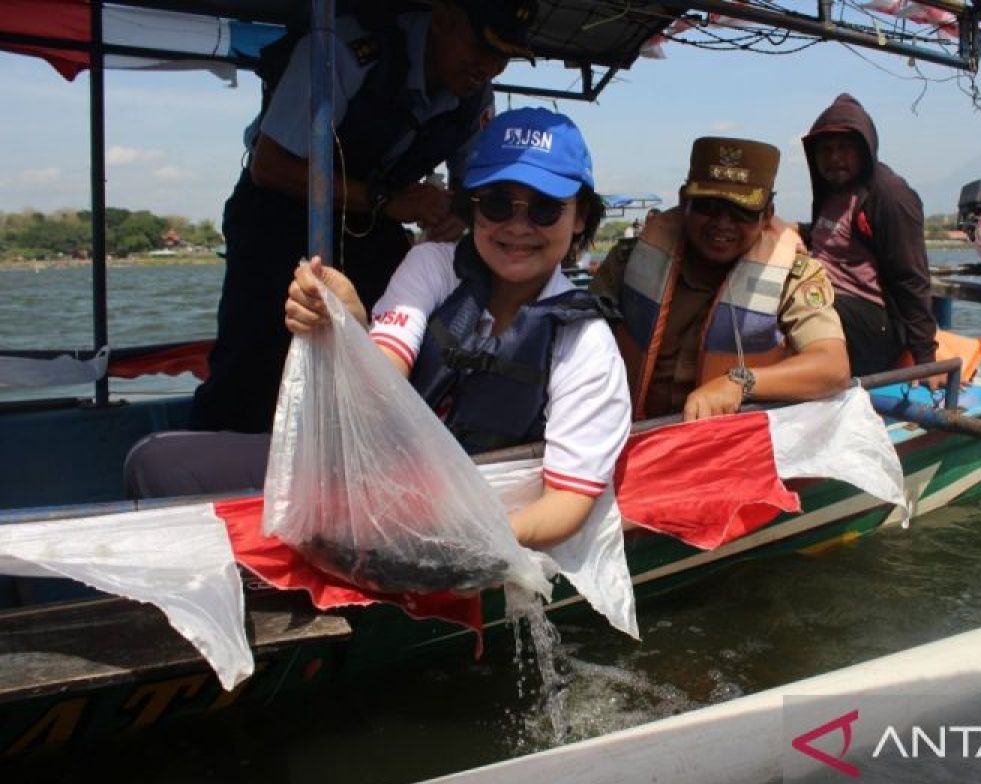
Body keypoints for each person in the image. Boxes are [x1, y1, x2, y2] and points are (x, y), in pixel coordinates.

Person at [128, 108, 630, 552]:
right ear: (472, 207)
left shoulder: (585, 343)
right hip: (362, 476)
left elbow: (568, 502)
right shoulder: (433, 265)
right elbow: (383, 370)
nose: (518, 228)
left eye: (544, 208)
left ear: (580, 215)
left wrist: (470, 539)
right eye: (497, 204)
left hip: (465, 515)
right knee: (157, 463)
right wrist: (345, 324)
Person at [190, 0, 539, 434]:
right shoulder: (344, 48)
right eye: (481, 49)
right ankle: (213, 466)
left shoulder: (472, 94)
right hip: (279, 211)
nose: (487, 68)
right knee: (255, 355)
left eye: (502, 57)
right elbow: (270, 166)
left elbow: (473, 188)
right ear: (444, 19)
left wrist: (457, 213)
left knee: (391, 332)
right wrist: (385, 199)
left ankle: (360, 442)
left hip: (371, 225)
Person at [590, 137, 849, 422]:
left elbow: (832, 366)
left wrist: (740, 383)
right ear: (684, 201)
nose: (723, 223)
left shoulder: (794, 275)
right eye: (708, 206)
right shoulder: (628, 260)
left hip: (730, 444)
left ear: (767, 216)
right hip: (631, 433)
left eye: (742, 211)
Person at [801, 93, 941, 385]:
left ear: (864, 150)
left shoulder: (890, 197)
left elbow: (911, 279)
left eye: (844, 149)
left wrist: (926, 359)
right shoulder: (830, 191)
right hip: (826, 304)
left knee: (793, 308)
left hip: (873, 322)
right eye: (825, 150)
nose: (834, 159)